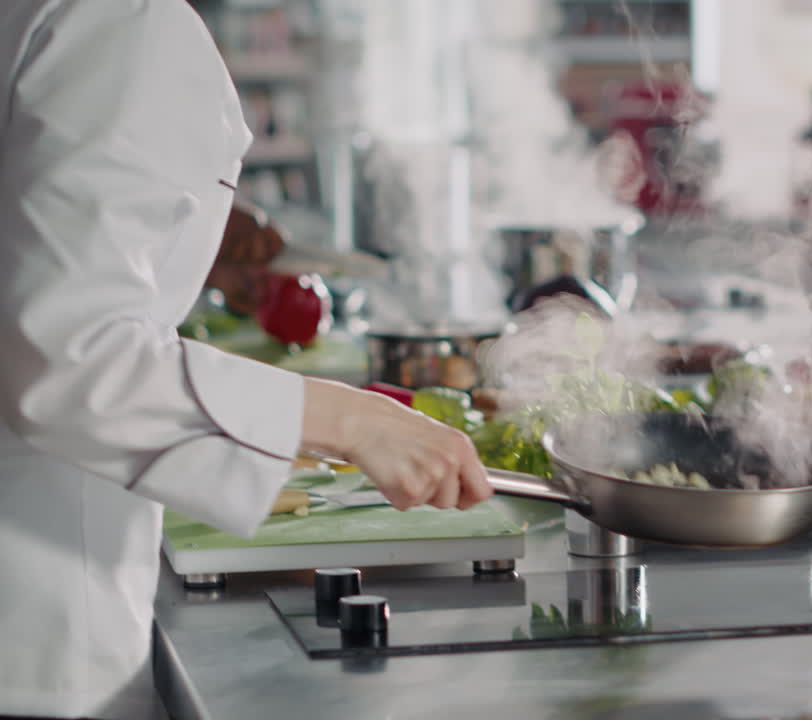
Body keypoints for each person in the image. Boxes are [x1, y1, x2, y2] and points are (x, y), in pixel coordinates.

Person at [0, 2, 493, 718]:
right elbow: (65, 361)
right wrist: (349, 420)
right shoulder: (125, 20)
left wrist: (178, 245)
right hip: (32, 626)